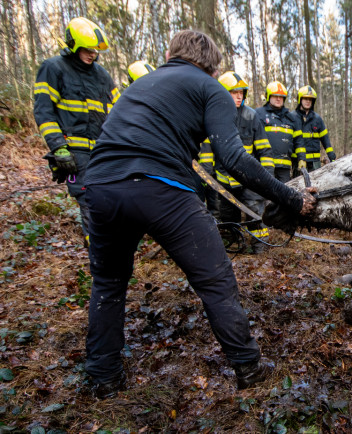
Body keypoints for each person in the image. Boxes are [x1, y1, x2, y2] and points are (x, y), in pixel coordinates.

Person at [82, 30, 317, 398]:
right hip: (161, 189)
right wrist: (291, 198)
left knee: (108, 284)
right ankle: (248, 369)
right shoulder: (211, 90)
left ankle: (103, 377)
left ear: (169, 53)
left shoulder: (139, 86)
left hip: (100, 187)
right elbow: (234, 158)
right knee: (216, 280)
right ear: (213, 66)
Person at [33, 17, 118, 247]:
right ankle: (98, 251)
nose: (92, 55)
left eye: (95, 50)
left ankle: (112, 246)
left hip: (103, 149)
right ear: (73, 45)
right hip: (74, 150)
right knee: (88, 198)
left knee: (111, 197)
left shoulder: (102, 75)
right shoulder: (53, 68)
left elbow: (119, 111)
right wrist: (58, 146)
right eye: (87, 50)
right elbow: (44, 111)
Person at [212, 71, 275, 251]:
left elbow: (264, 148)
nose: (239, 96)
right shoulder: (214, 116)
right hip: (224, 179)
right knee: (228, 217)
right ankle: (233, 247)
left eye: (241, 93)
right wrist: (208, 179)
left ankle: (259, 247)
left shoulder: (251, 116)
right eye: (234, 92)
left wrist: (266, 178)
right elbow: (208, 152)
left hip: (249, 177)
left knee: (255, 212)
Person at [255, 81, 304, 182]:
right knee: (267, 193)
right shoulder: (258, 114)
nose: (278, 99)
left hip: (284, 167)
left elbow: (298, 141)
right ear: (268, 96)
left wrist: (301, 158)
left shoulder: (291, 118)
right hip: (265, 165)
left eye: (281, 97)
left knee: (285, 192)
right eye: (275, 96)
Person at [292, 85, 336, 172]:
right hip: (297, 161)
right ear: (300, 99)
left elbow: (325, 140)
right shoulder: (292, 117)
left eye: (310, 99)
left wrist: (331, 156)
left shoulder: (317, 119)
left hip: (314, 162)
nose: (308, 101)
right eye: (305, 99)